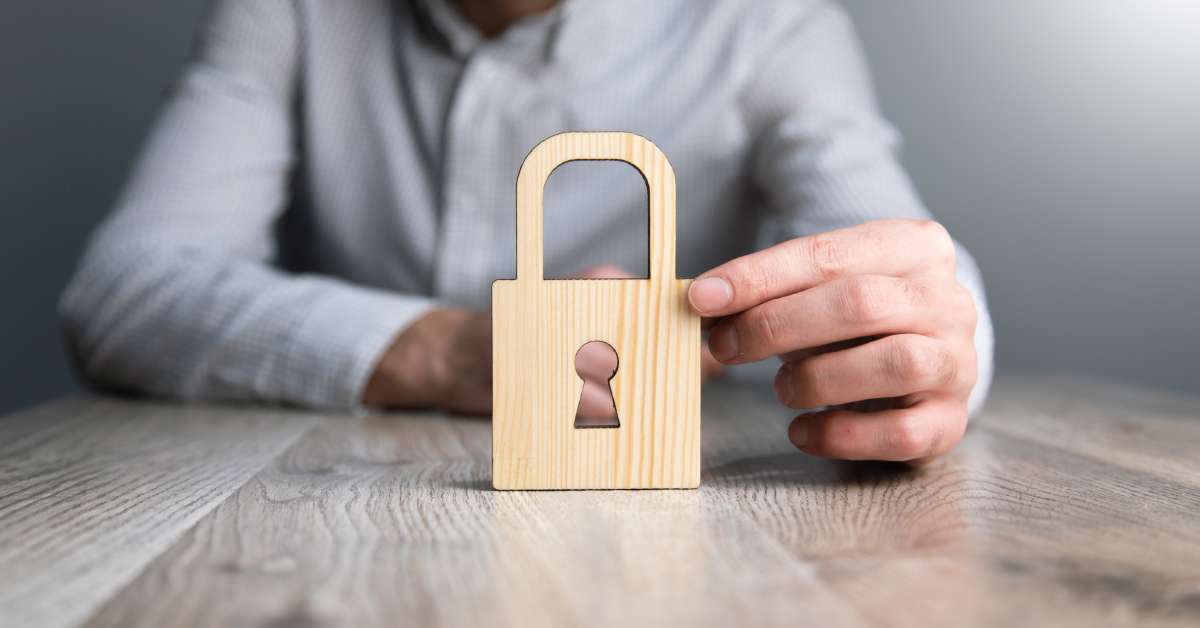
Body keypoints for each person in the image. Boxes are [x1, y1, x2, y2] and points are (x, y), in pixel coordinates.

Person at [60, 0, 993, 464]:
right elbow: (126, 288)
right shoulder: (291, 12)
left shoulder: (766, 22)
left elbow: (907, 276)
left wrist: (932, 343)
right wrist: (463, 351)